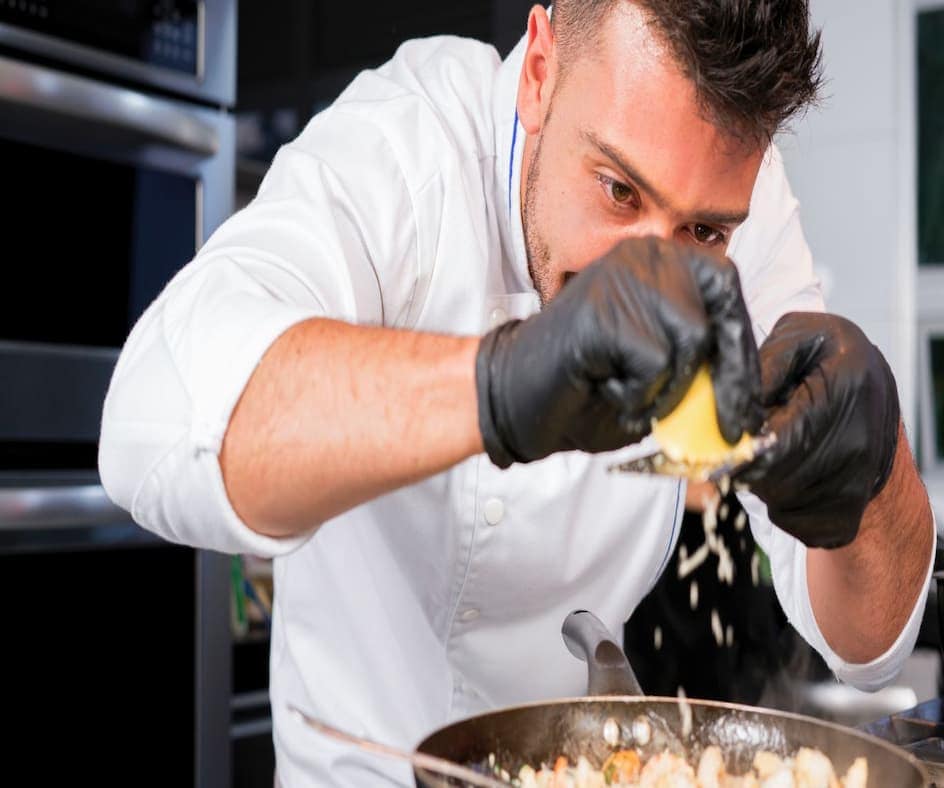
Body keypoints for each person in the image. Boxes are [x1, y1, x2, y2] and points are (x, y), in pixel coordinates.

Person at [99, 1, 934, 784]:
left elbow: (869, 648)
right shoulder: (409, 142)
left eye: (703, 232)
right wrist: (497, 384)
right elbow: (151, 425)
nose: (653, 273)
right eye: (618, 189)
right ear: (540, 69)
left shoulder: (744, 200)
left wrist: (872, 478)